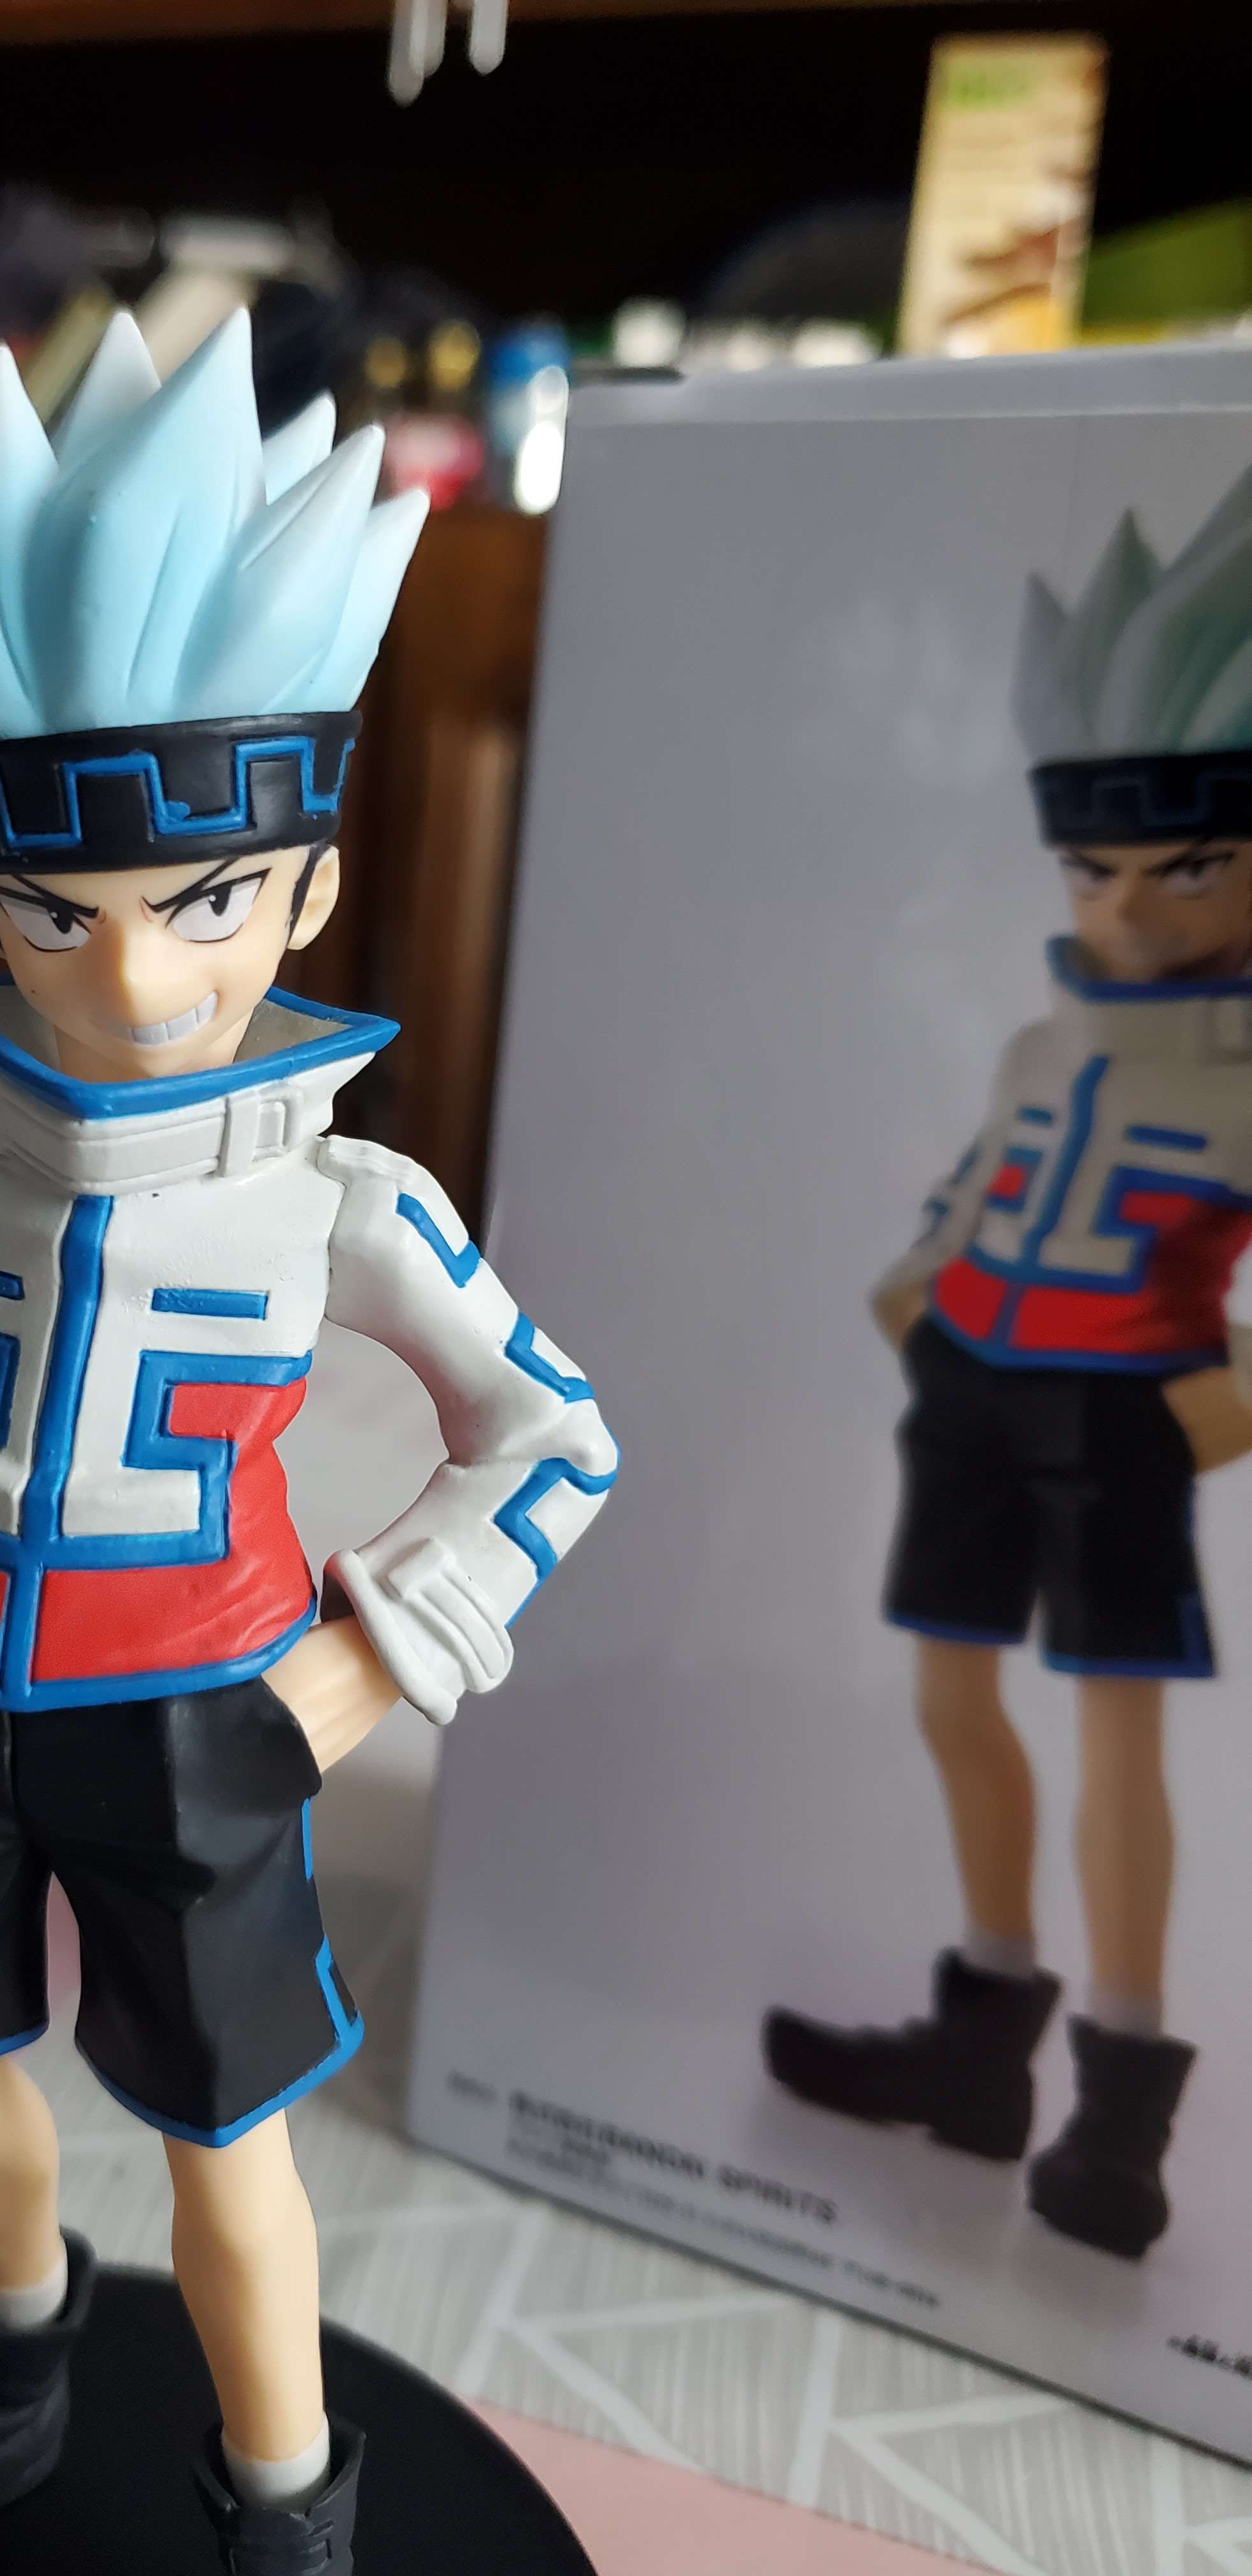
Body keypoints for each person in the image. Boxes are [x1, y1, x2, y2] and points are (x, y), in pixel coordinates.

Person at [0, 309, 617, 2575]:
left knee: (233, 2143)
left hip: (203, 1721)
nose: (126, 983)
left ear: (306, 884)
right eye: (56, 914)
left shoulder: (348, 1203)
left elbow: (551, 1439)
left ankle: (288, 2509)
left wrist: (351, 1673)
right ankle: (5, 2365)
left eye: (200, 905)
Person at [764, 473, 1252, 2260]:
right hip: (975, 1388)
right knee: (952, 1704)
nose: (1127, 909)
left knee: (1117, 1737)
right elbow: (973, 1187)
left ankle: (1120, 2105)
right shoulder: (1052, 1034)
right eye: (1093, 870)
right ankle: (982, 2052)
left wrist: (1213, 1402)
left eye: (1184, 867)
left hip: (1126, 1408)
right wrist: (922, 1305)